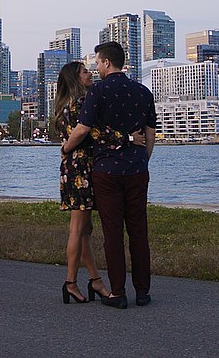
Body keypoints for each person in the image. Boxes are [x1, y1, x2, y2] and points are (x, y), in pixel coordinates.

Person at [64, 41, 156, 309]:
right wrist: (142, 159)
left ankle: (118, 292)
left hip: (107, 171)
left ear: (106, 62)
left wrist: (65, 147)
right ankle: (142, 291)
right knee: (139, 230)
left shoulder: (98, 91)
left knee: (113, 232)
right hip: (137, 169)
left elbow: (82, 129)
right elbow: (150, 134)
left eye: (97, 62)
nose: (95, 67)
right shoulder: (143, 91)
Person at [53, 61, 112, 304]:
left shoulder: (63, 106)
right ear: (76, 79)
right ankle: (70, 282)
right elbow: (95, 132)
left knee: (85, 229)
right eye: (85, 72)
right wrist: (129, 137)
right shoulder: (81, 104)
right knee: (78, 229)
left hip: (71, 168)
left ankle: (95, 280)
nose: (90, 74)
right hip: (82, 169)